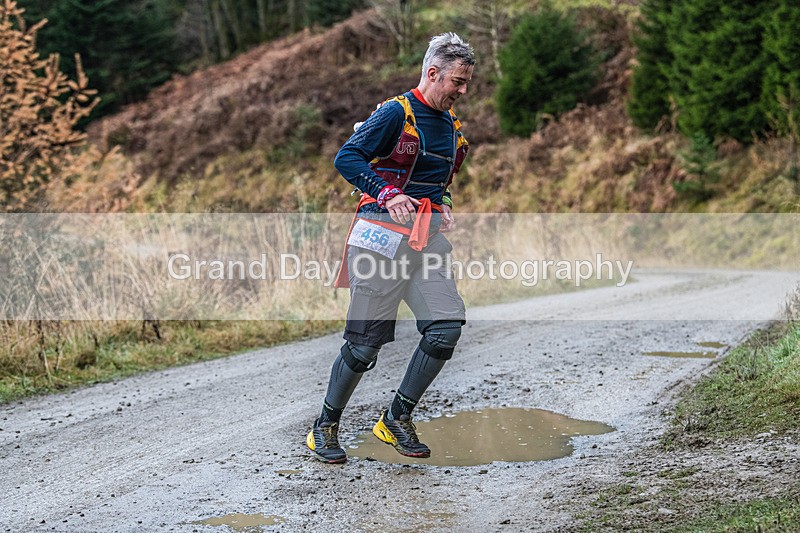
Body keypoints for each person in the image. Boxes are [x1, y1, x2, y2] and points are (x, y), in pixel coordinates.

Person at [306, 32, 475, 464]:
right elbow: (347, 158)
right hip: (378, 239)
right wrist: (386, 194)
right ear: (432, 73)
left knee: (446, 327)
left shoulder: (451, 127)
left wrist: (445, 205)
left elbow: (439, 184)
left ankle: (396, 417)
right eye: (457, 81)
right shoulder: (395, 113)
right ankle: (324, 426)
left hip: (425, 242)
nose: (463, 90)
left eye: (467, 82)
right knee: (365, 346)